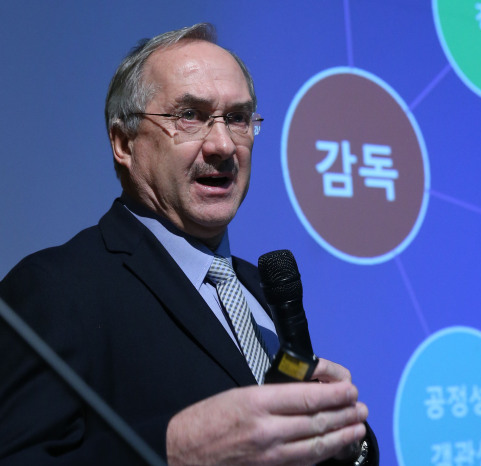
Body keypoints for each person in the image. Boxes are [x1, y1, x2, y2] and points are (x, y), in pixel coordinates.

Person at [0, 23, 377, 465]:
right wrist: (175, 452)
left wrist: (351, 441)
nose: (222, 145)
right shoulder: (55, 289)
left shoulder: (259, 288)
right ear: (123, 142)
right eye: (190, 116)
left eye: (237, 118)